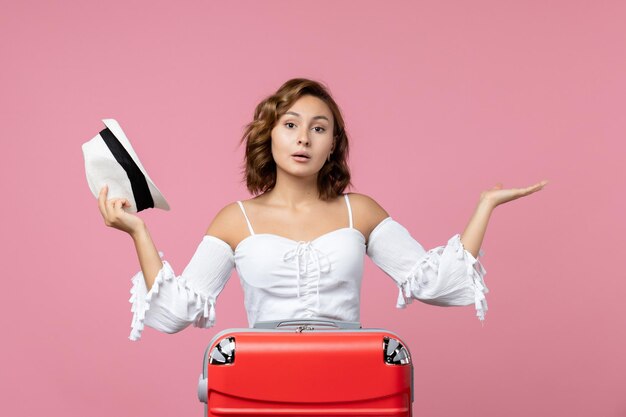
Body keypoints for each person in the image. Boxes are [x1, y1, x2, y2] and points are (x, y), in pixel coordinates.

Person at [97, 78, 547, 341]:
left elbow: (434, 283)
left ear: (333, 144)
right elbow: (175, 311)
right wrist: (138, 232)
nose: (303, 138)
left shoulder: (361, 212)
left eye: (318, 128)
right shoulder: (235, 219)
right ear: (269, 135)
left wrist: (485, 206)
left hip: (351, 374)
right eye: (290, 125)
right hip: (262, 378)